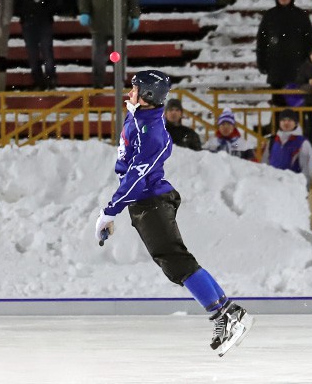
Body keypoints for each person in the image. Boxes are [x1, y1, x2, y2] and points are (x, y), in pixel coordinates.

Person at [94, 70, 253, 356]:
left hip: (151, 202)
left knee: (176, 262)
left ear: (147, 96)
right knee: (179, 259)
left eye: (135, 88)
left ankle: (224, 317)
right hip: (147, 203)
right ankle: (229, 312)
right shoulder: (140, 118)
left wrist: (109, 211)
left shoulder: (151, 132)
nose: (130, 92)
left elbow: (135, 177)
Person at [256, 0, 312, 107]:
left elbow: (309, 41)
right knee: (278, 106)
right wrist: (262, 63)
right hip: (276, 69)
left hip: (297, 69)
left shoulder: (301, 15)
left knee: (296, 106)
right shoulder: (269, 16)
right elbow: (261, 41)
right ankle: (278, 126)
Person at [78, 0, 141, 89]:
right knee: (99, 59)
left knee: (117, 58)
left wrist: (134, 15)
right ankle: (99, 84)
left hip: (118, 25)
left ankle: (118, 83)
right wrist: (84, 11)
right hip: (100, 24)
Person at [13, 0, 58, 90]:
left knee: (46, 50)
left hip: (43, 20)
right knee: (33, 53)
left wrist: (48, 10)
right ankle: (39, 81)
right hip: (28, 20)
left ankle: (50, 79)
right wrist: (22, 13)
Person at [262, 109, 312, 186]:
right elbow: (264, 164)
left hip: (293, 188)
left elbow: (307, 170)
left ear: (295, 123)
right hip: (272, 187)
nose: (286, 123)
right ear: (279, 123)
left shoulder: (303, 143)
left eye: (290, 120)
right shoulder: (272, 141)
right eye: (283, 120)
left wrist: (304, 189)